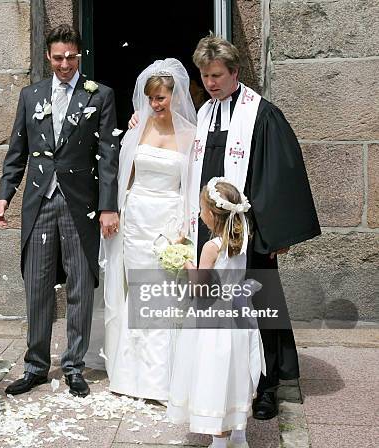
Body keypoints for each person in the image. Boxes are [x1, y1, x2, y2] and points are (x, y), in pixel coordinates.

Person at [131, 35, 320, 419]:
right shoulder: (204, 115)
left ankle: (267, 386)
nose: (211, 82)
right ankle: (222, 381)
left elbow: (277, 176)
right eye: (205, 75)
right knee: (215, 309)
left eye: (217, 74)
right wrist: (141, 121)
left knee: (260, 305)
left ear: (235, 72)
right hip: (208, 227)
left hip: (247, 231)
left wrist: (272, 235)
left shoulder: (262, 115)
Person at [0, 24, 119, 398]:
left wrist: (108, 207)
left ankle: (73, 367)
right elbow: (17, 151)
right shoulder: (30, 95)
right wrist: (5, 194)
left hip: (81, 205)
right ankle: (35, 366)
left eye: (71, 57)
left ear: (80, 55)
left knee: (81, 285)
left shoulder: (101, 95)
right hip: (39, 202)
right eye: (58, 57)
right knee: (37, 286)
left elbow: (109, 156)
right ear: (48, 57)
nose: (65, 64)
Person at [89, 59, 196, 403]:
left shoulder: (192, 135)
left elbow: (191, 186)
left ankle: (161, 380)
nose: (155, 104)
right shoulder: (138, 128)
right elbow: (123, 176)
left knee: (163, 297)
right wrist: (115, 211)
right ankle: (129, 376)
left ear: (176, 97)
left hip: (168, 220)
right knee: (136, 292)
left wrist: (184, 228)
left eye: (161, 98)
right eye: (151, 98)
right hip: (137, 218)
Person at [167, 178, 265, 448]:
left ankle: (219, 442)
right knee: (237, 372)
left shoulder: (211, 247)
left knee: (214, 372)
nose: (200, 215)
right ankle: (239, 436)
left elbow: (200, 288)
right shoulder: (242, 239)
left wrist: (186, 262)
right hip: (239, 315)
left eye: (201, 209)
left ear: (211, 214)